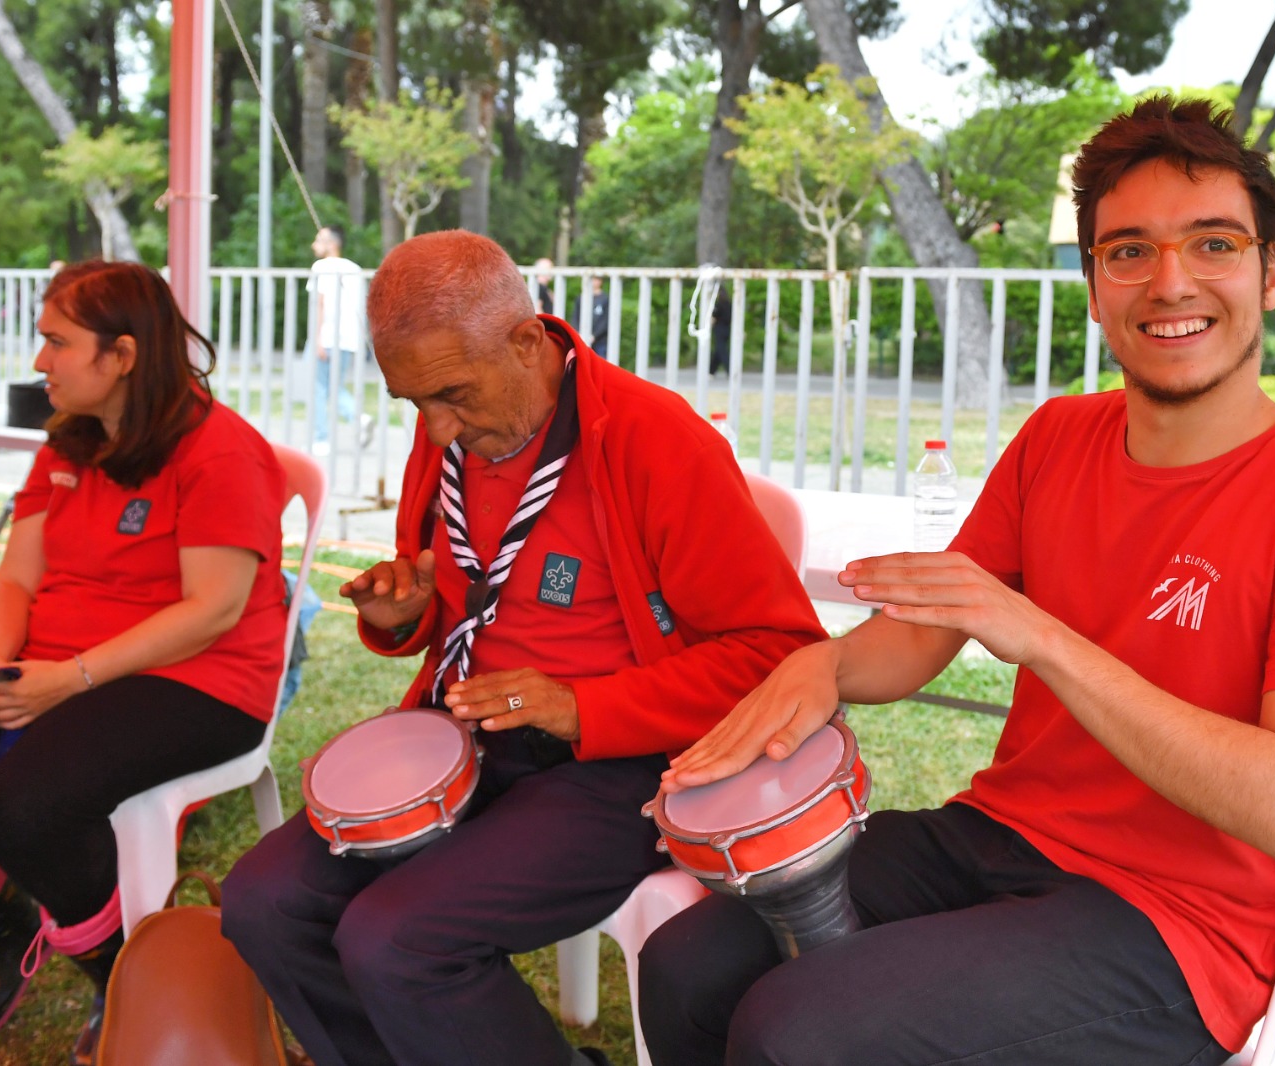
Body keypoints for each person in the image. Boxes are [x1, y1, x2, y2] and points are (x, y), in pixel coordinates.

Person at [639, 96, 1275, 1066]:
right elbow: (926, 630)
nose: (1169, 281)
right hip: (997, 835)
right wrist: (821, 669)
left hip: (1178, 919)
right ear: (1095, 285)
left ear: (1270, 273)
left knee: (795, 1027)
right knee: (686, 965)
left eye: (1213, 244)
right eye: (1128, 250)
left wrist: (1045, 637)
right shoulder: (1059, 437)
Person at [221, 229, 825, 1066]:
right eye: (413, 404)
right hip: (470, 739)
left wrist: (584, 706)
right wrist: (405, 616)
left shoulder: (656, 440)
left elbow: (777, 651)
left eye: (452, 396)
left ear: (525, 340)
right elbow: (466, 612)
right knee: (263, 901)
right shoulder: (456, 436)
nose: (435, 430)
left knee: (396, 938)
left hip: (621, 766)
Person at [0, 261, 288, 1064]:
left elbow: (213, 609)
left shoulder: (220, 451)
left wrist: (68, 679)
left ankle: (116, 974)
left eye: (57, 342)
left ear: (124, 354)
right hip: (55, 665)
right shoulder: (71, 441)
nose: (40, 361)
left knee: (27, 807)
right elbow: (18, 578)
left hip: (197, 679)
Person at [308, 225, 374, 456]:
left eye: (318, 240)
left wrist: (316, 339)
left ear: (331, 244)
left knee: (318, 388)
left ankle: (321, 438)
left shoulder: (321, 267)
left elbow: (320, 304)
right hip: (348, 338)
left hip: (326, 336)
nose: (313, 245)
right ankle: (359, 418)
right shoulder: (354, 268)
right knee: (335, 386)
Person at [570, 275, 611, 356]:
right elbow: (575, 317)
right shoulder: (581, 298)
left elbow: (606, 321)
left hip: (600, 341)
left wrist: (594, 336)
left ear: (600, 281)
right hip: (582, 340)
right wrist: (579, 334)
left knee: (600, 366)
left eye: (596, 279)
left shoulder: (605, 299)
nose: (593, 282)